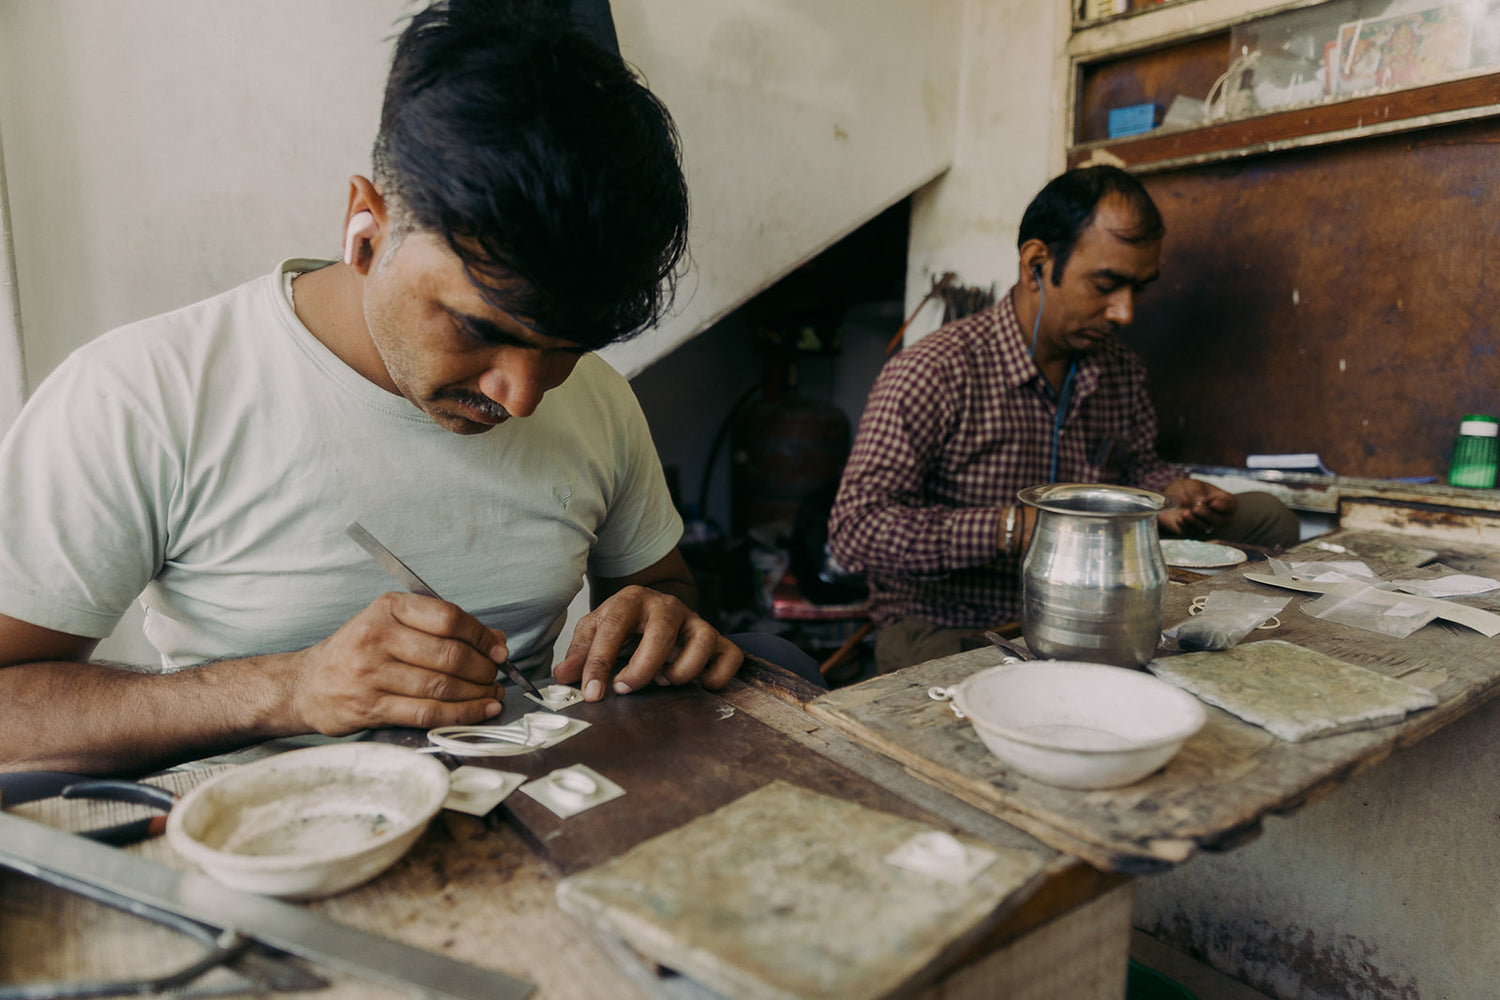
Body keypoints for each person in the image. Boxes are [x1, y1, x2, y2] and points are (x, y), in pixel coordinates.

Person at [0, 0, 745, 776]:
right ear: (367, 226)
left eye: (567, 349)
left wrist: (664, 619)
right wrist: (288, 689)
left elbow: (661, 587)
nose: (522, 397)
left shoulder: (597, 401)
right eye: (478, 328)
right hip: (269, 856)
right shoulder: (142, 396)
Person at [829, 165, 1300, 674]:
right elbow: (856, 529)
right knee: (987, 698)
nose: (1124, 314)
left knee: (1269, 516)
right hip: (957, 620)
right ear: (1036, 264)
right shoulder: (933, 371)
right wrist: (1017, 528)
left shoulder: (1118, 368)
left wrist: (1170, 492)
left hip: (1094, 595)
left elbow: (1136, 466)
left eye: (1137, 290)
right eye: (1105, 285)